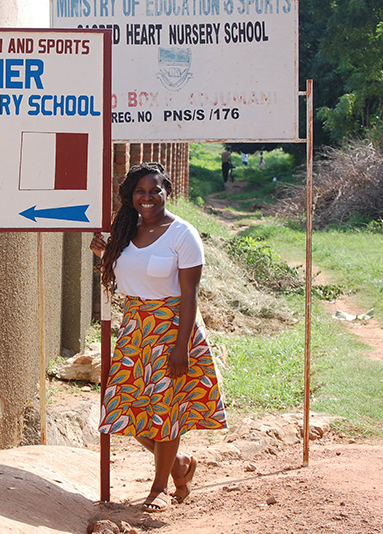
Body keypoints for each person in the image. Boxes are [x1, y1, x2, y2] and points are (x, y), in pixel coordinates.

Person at [90, 162, 227, 513]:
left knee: (166, 410)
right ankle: (179, 463)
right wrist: (103, 253)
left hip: (172, 329)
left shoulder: (183, 234)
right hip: (135, 328)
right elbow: (128, 272)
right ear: (130, 197)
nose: (147, 197)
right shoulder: (125, 232)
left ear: (167, 193)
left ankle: (159, 487)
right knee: (123, 407)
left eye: (155, 191)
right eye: (140, 191)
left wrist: (181, 348)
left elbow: (189, 294)